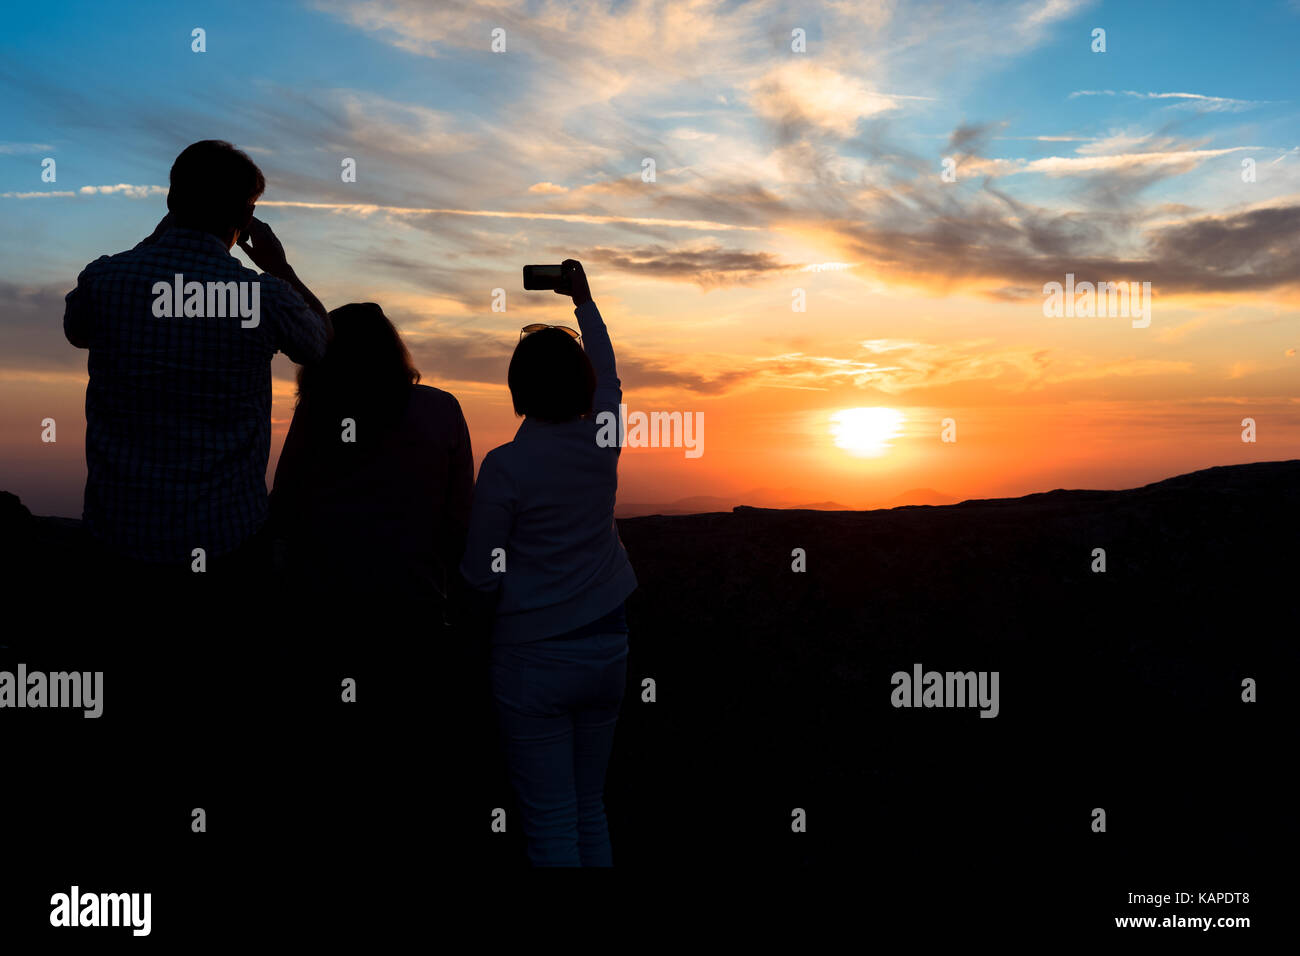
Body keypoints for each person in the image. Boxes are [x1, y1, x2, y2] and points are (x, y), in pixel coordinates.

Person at [63, 139, 331, 597]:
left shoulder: (104, 280)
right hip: (227, 543)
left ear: (170, 201)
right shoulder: (262, 296)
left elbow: (78, 332)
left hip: (117, 537)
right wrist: (279, 266)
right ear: (246, 219)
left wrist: (152, 244)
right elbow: (322, 344)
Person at [461, 259, 637, 867]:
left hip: (531, 658)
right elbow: (611, 374)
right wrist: (583, 302)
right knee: (591, 809)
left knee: (551, 825)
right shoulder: (604, 440)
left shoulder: (504, 468)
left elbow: (482, 578)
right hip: (607, 648)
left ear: (517, 389)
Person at [270, 302, 474, 612]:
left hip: (323, 601)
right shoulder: (442, 409)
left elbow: (284, 506)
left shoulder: (315, 412)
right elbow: (460, 516)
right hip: (415, 598)